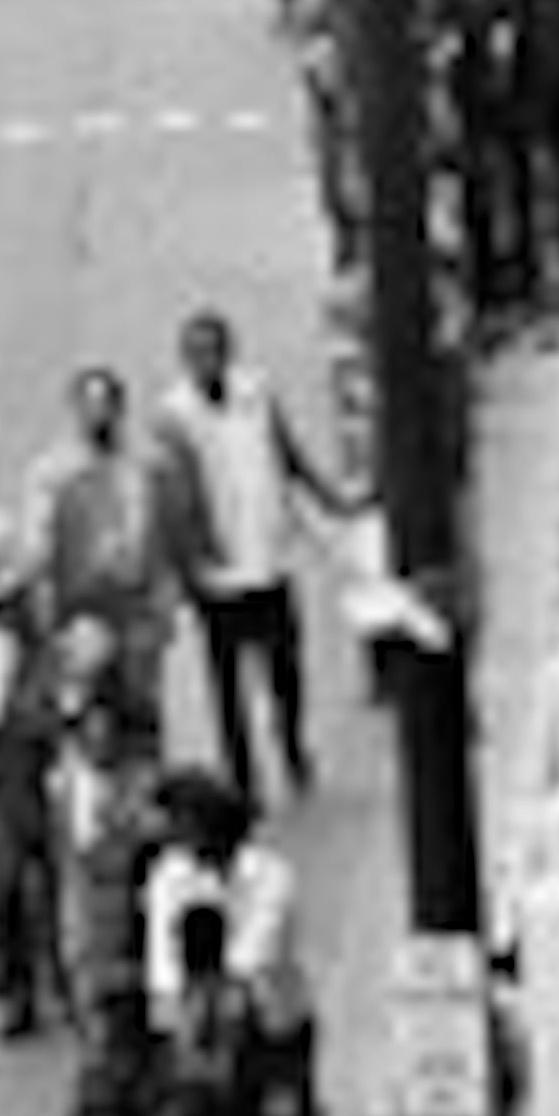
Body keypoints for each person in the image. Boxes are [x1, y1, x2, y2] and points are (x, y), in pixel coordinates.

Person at [152, 308, 355, 810]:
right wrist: (184, 567)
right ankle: (242, 779)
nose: (208, 363)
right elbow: (171, 497)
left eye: (215, 351)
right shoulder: (173, 416)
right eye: (197, 354)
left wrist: (329, 498)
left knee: (286, 666)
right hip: (217, 573)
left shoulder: (256, 394)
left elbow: (287, 454)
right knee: (227, 684)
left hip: (266, 555)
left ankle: (292, 745)